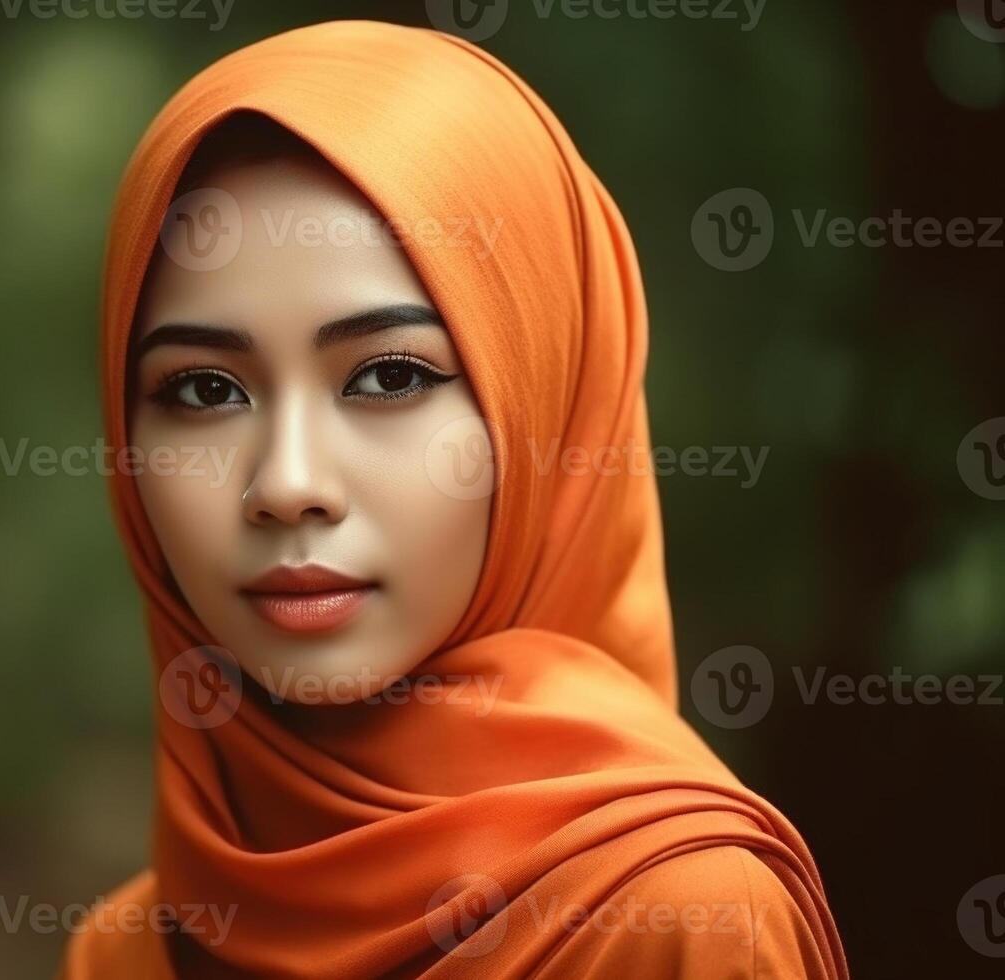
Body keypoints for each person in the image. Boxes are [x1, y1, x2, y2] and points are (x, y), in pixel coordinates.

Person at [63, 20, 847, 978]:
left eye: (389, 377)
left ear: (547, 401)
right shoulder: (126, 948)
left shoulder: (678, 916)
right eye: (205, 390)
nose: (289, 485)